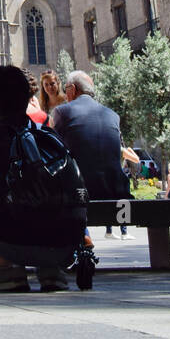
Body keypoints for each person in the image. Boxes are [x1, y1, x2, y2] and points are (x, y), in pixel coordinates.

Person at [0, 65, 87, 293]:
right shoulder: (49, 134)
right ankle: (51, 269)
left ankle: (8, 267)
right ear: (28, 98)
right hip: (63, 243)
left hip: (12, 241)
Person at [51, 71, 131, 250]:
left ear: (72, 89)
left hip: (80, 195)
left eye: (65, 89)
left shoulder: (62, 112)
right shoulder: (113, 115)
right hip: (116, 193)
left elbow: (53, 151)